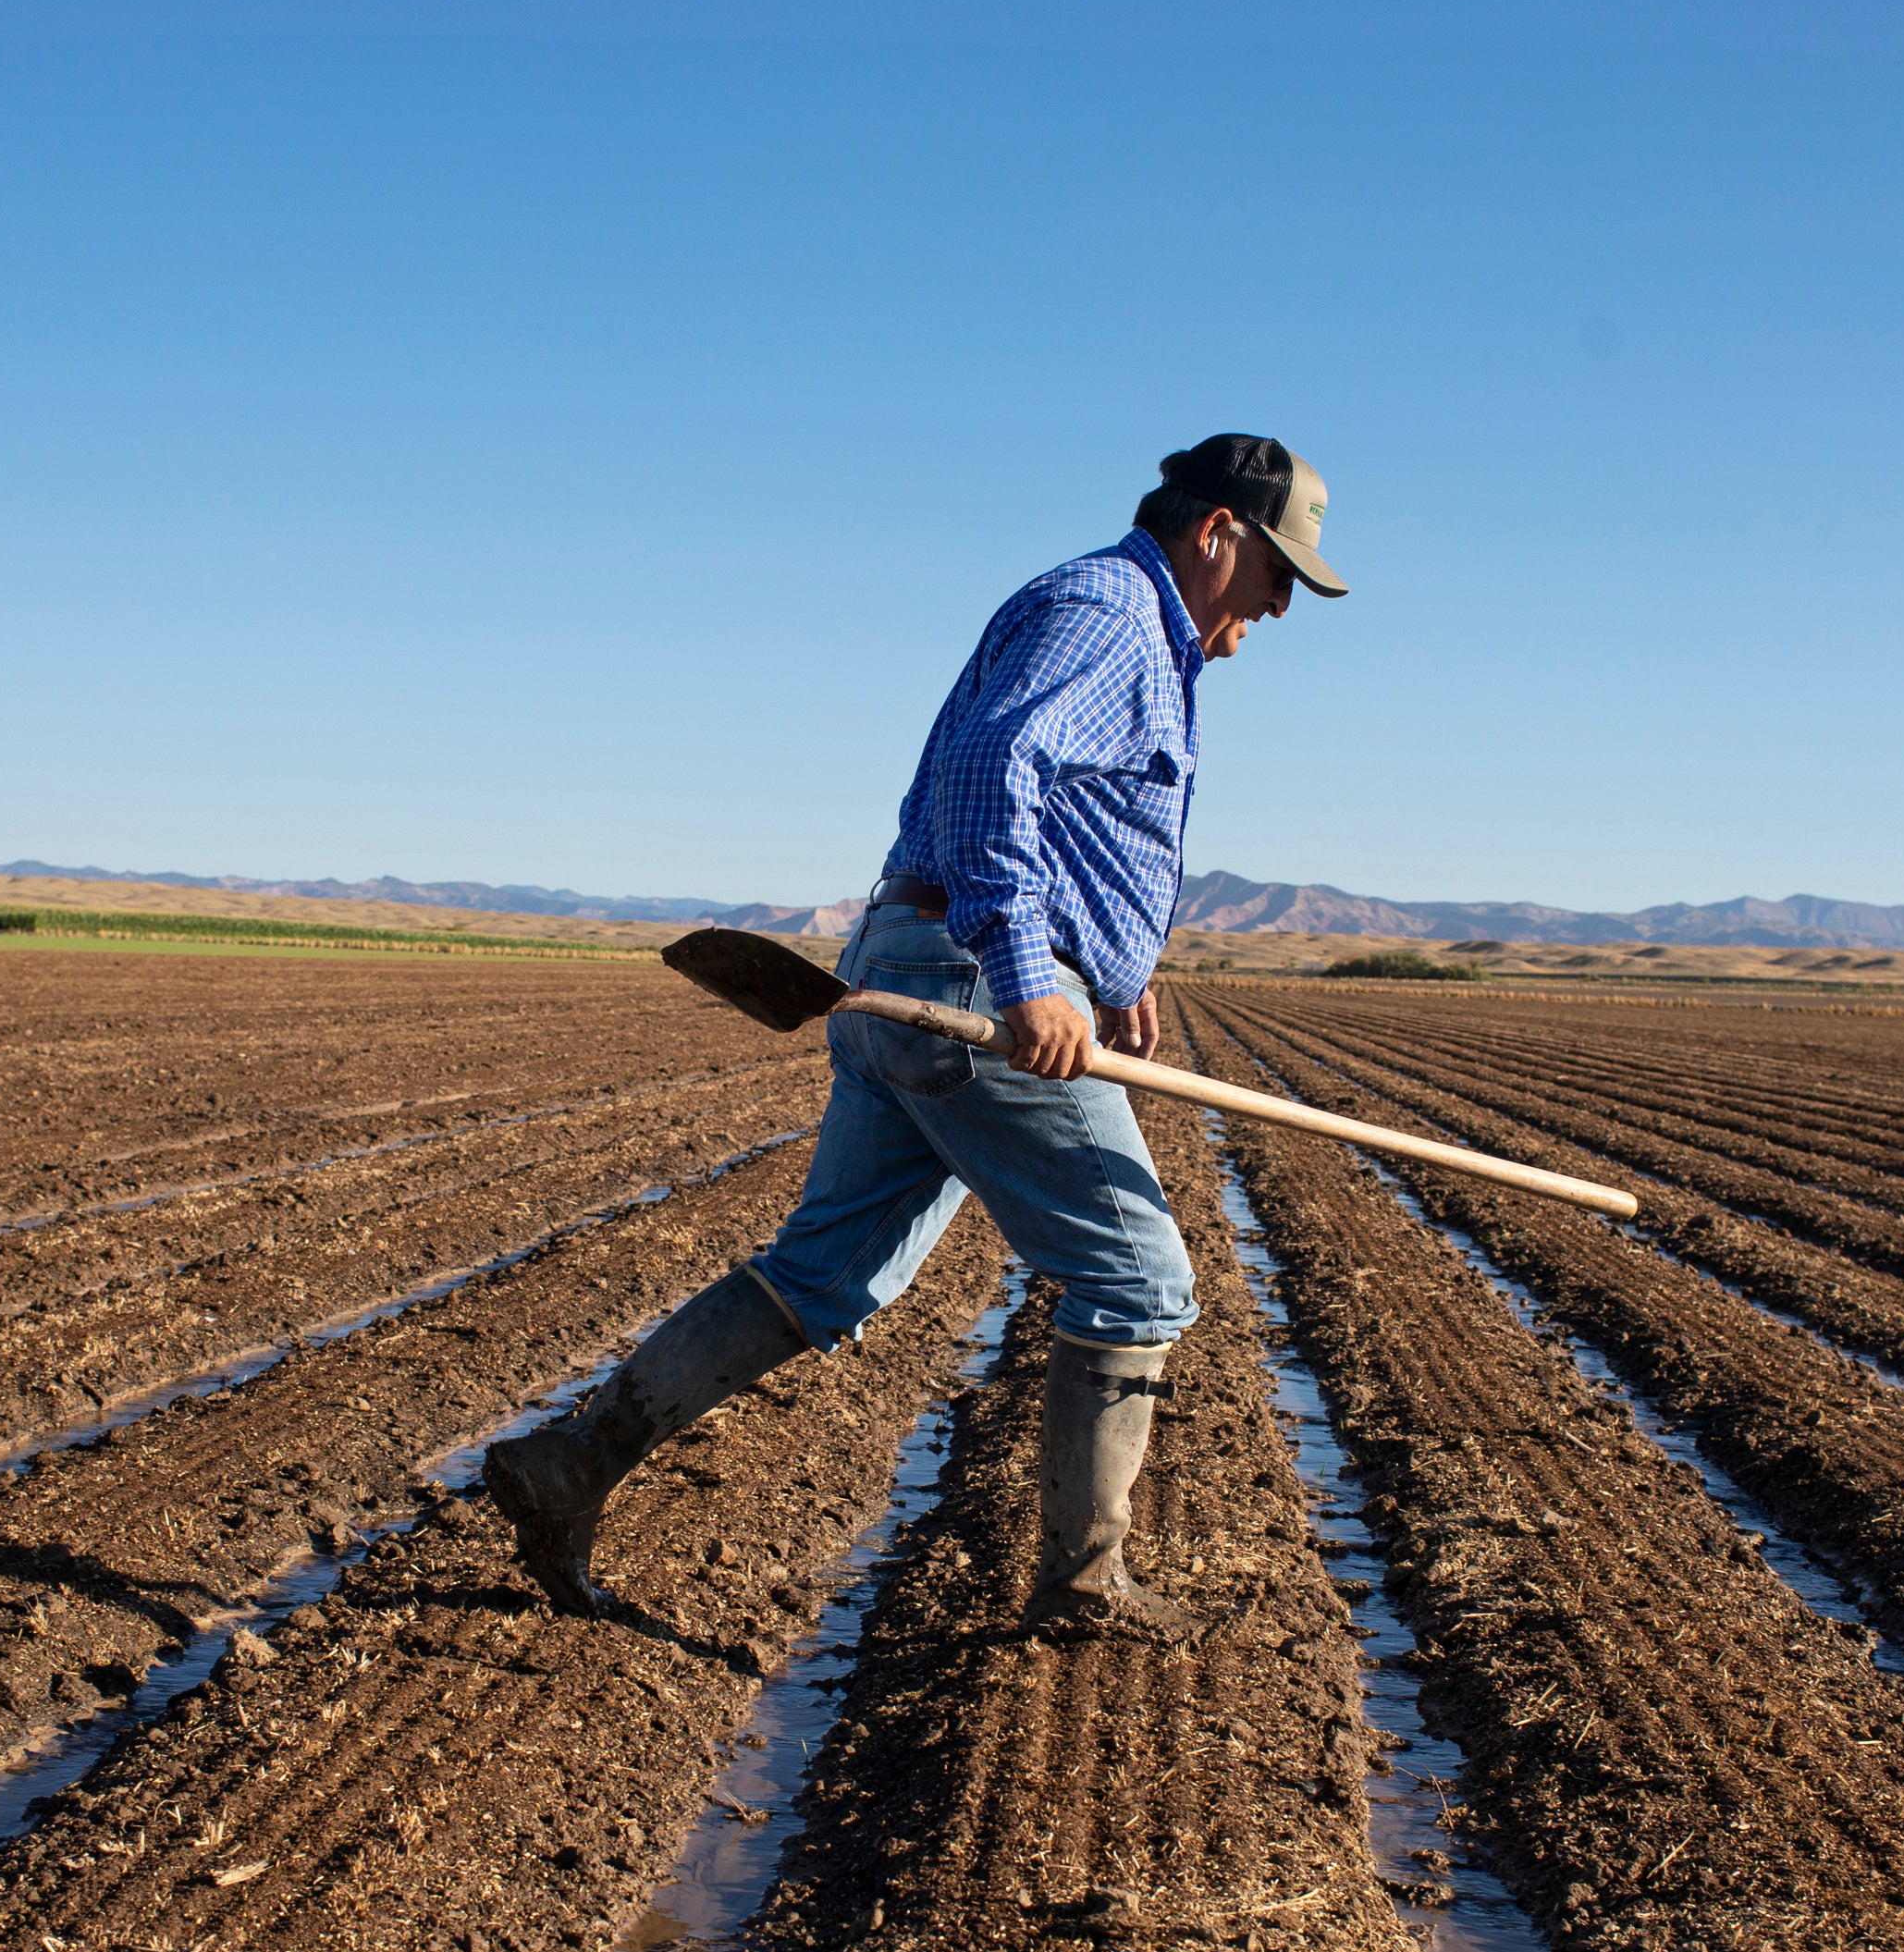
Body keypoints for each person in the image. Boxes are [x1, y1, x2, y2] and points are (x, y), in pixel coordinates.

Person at [488, 435, 1347, 1632]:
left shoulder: (1114, 619)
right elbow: (998, 770)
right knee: (1140, 1279)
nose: (1274, 610)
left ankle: (574, 1465)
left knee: (823, 1273)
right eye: (1277, 576)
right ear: (1219, 534)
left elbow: (1059, 805)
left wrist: (1112, 967)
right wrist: (1025, 970)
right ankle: (1083, 1589)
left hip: (908, 964)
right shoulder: (1113, 613)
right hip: (967, 983)